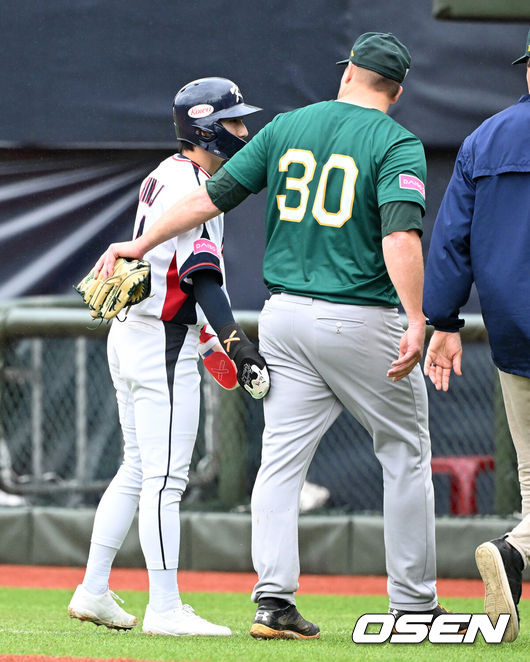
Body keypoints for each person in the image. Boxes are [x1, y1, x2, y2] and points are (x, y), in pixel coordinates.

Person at [93, 32, 466, 639]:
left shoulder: (289, 126)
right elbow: (400, 238)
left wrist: (137, 242)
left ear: (348, 74)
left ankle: (272, 599)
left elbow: (210, 199)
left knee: (281, 464)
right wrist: (419, 318)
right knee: (404, 453)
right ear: (395, 91)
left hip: (285, 317)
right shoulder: (397, 142)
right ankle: (413, 605)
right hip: (360, 317)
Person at [68, 77, 269, 637]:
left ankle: (93, 589)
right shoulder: (197, 184)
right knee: (165, 480)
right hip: (161, 339)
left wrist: (210, 340)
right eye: (232, 122)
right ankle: (164, 607)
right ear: (203, 127)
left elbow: (179, 270)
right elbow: (201, 277)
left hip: (133, 332)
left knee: (136, 468)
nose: (243, 130)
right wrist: (231, 338)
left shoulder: (167, 171)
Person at [423, 29, 530, 643]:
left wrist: (442, 320)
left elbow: (452, 239)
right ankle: (514, 553)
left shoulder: (484, 138)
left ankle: (514, 561)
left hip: (514, 332)